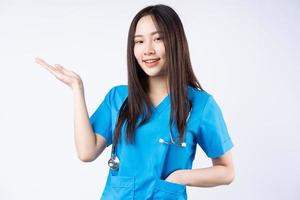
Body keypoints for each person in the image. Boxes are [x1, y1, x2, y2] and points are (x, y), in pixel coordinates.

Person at [35, 4, 235, 200]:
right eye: (139, 42)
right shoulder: (119, 98)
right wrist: (77, 89)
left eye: (157, 39)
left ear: (175, 42)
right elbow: (87, 152)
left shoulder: (200, 104)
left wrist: (180, 177)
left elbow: (226, 171)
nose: (147, 50)